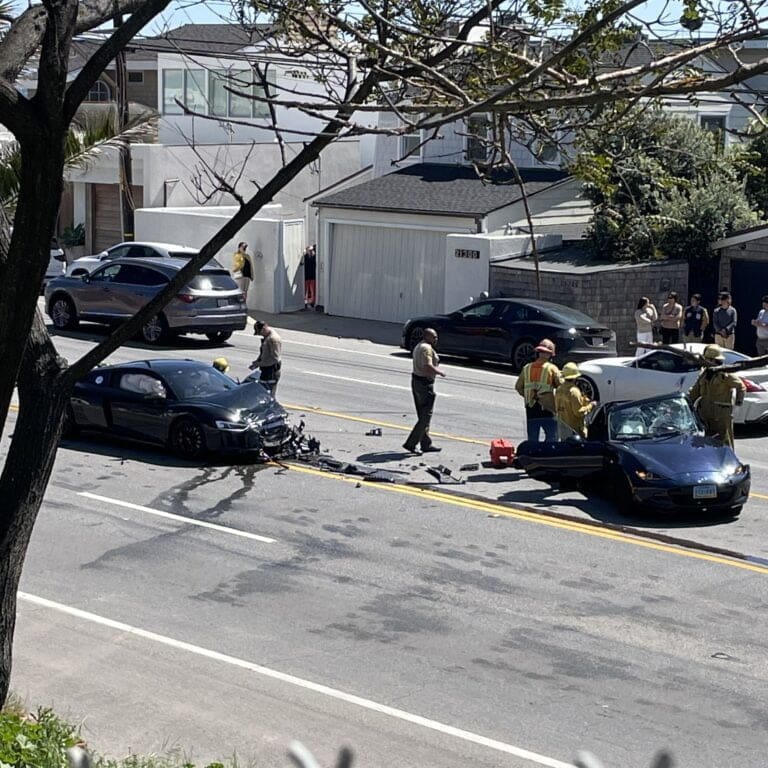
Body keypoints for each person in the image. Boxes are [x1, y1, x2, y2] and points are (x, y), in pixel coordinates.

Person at [687, 344, 745, 448]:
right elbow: (694, 392)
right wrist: (685, 403)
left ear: (714, 360)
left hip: (721, 415)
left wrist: (738, 403)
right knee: (706, 443)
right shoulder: (704, 373)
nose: (704, 361)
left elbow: (741, 386)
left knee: (725, 442)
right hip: (705, 414)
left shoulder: (725, 373)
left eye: (707, 359)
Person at [403, 328, 445, 455]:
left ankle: (425, 444)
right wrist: (440, 372)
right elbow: (427, 366)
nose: (436, 339)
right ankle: (411, 443)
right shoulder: (426, 348)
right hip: (424, 384)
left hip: (416, 381)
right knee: (425, 416)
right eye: (434, 337)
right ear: (427, 336)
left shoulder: (419, 346)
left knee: (423, 415)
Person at [515, 338, 562, 442]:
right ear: (550, 354)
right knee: (552, 435)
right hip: (547, 407)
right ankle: (547, 455)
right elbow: (561, 386)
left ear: (539, 352)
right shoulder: (552, 368)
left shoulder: (527, 368)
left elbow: (518, 387)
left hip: (530, 407)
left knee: (532, 437)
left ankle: (533, 456)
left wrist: (528, 395)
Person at [554, 362, 594, 439]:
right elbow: (578, 412)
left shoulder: (559, 389)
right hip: (574, 431)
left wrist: (583, 400)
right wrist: (591, 405)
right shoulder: (574, 391)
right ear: (575, 377)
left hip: (562, 430)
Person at [250, 319, 282, 395]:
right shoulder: (267, 337)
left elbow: (274, 359)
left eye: (260, 333)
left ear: (264, 328)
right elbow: (264, 352)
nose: (260, 335)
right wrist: (257, 361)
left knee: (268, 394)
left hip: (271, 371)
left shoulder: (273, 339)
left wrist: (259, 364)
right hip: (265, 369)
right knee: (262, 390)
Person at [302, 244, 317, 310]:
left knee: (313, 290)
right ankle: (304, 302)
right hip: (307, 276)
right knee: (305, 290)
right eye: (309, 250)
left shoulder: (315, 257)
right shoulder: (305, 257)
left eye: (312, 250)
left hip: (313, 276)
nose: (311, 251)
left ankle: (312, 302)